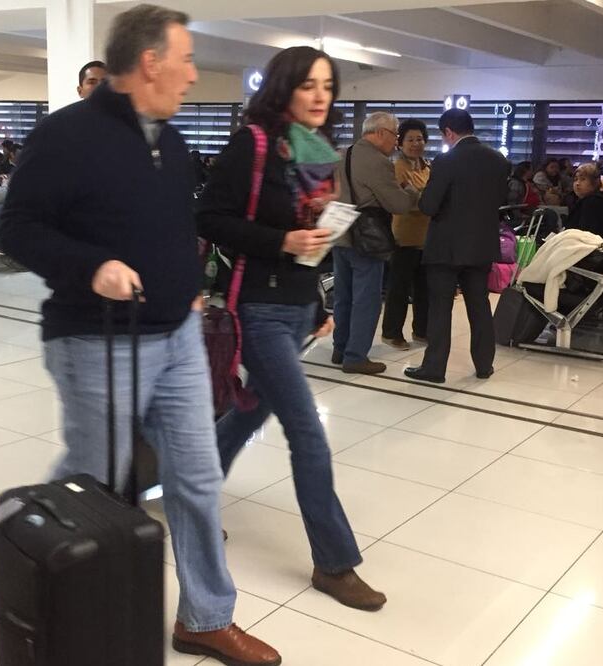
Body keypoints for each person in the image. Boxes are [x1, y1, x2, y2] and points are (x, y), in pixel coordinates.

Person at [0, 6, 280, 665]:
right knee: (92, 480)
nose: (191, 74)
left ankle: (207, 618)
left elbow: (167, 225)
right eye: (184, 60)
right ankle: (33, 550)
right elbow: (18, 227)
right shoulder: (67, 135)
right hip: (97, 339)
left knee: (197, 477)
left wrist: (188, 281)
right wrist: (91, 267)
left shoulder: (171, 140)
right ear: (149, 61)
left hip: (177, 334)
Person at [198, 44, 387, 617]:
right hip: (256, 307)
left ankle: (190, 491)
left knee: (251, 410)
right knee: (307, 431)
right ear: (284, 87)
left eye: (328, 86)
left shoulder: (318, 154)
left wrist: (317, 296)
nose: (320, 96)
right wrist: (280, 241)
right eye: (309, 85)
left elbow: (310, 234)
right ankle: (333, 562)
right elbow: (208, 217)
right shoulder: (253, 142)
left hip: (297, 304)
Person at [405, 108, 509, 384]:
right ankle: (484, 365)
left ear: (449, 132)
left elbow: (429, 205)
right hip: (482, 245)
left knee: (440, 308)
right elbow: (500, 199)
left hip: (446, 247)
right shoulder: (497, 159)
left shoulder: (446, 161)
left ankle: (434, 368)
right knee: (479, 305)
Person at [333, 111, 419, 374]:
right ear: (380, 133)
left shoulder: (341, 153)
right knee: (366, 299)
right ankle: (356, 356)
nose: (396, 141)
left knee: (343, 296)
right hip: (366, 238)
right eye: (395, 135)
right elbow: (398, 204)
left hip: (339, 231)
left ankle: (340, 348)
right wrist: (411, 190)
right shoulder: (378, 162)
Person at [381, 118, 431, 349]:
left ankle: (421, 331)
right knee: (398, 290)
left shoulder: (428, 167)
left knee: (424, 289)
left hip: (427, 237)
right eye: (410, 139)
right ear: (400, 143)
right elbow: (403, 201)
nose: (415, 144)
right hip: (402, 237)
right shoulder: (396, 168)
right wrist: (427, 200)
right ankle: (391, 333)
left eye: (419, 139)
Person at [565, 162, 603, 243]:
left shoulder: (592, 203)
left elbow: (585, 236)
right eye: (575, 179)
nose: (577, 183)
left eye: (583, 179)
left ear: (595, 182)